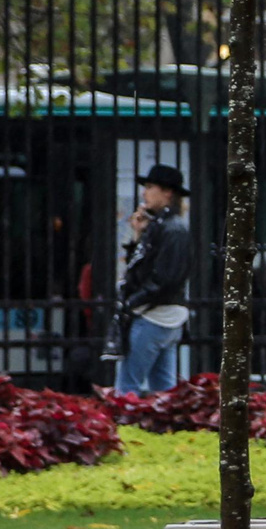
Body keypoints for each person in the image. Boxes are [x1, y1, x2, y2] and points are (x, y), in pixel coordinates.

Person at [112, 163, 194, 395]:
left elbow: (165, 278)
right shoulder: (161, 225)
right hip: (161, 316)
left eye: (149, 187)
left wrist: (133, 302)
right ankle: (167, 430)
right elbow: (140, 268)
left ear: (167, 192)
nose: (144, 193)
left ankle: (124, 429)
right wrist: (138, 235)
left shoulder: (173, 229)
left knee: (127, 389)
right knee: (163, 391)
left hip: (153, 316)